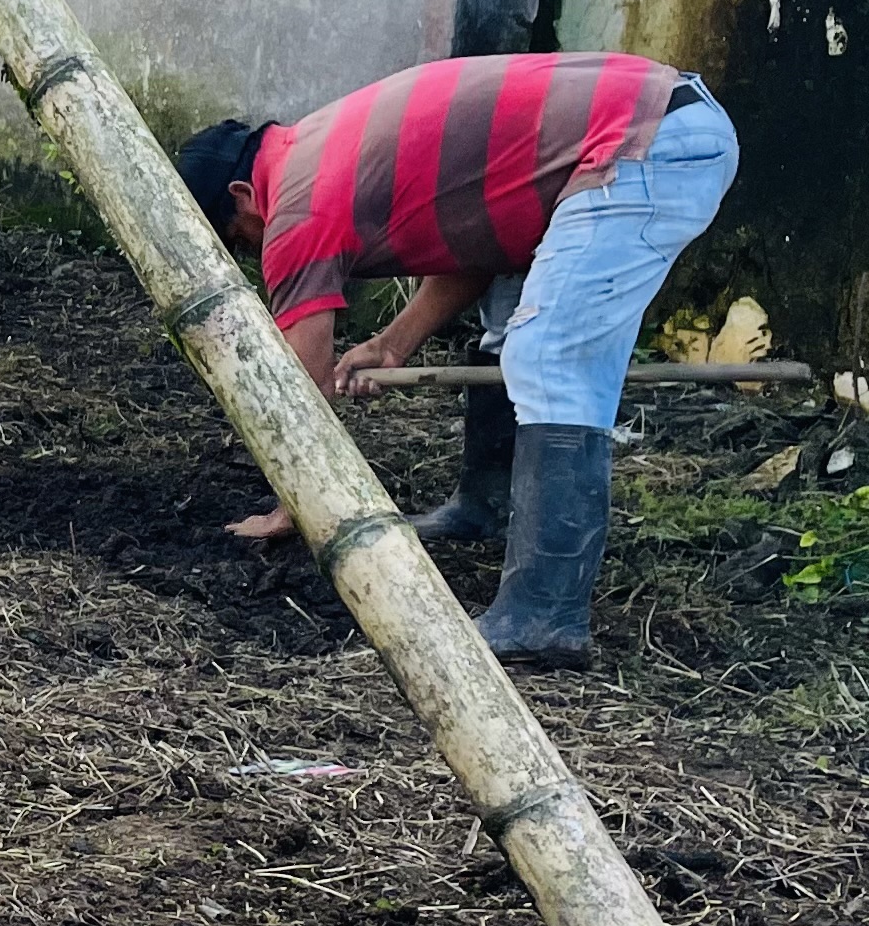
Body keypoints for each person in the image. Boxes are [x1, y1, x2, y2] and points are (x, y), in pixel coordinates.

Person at [173, 51, 740, 664]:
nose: (252, 254)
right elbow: (476, 240)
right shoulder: (319, 148)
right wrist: (393, 343)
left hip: (644, 143)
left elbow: (301, 388)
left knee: (549, 356)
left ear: (241, 194)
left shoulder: (296, 207)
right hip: (646, 122)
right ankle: (485, 507)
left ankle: (544, 617)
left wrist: (295, 506)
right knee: (510, 335)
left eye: (238, 239)